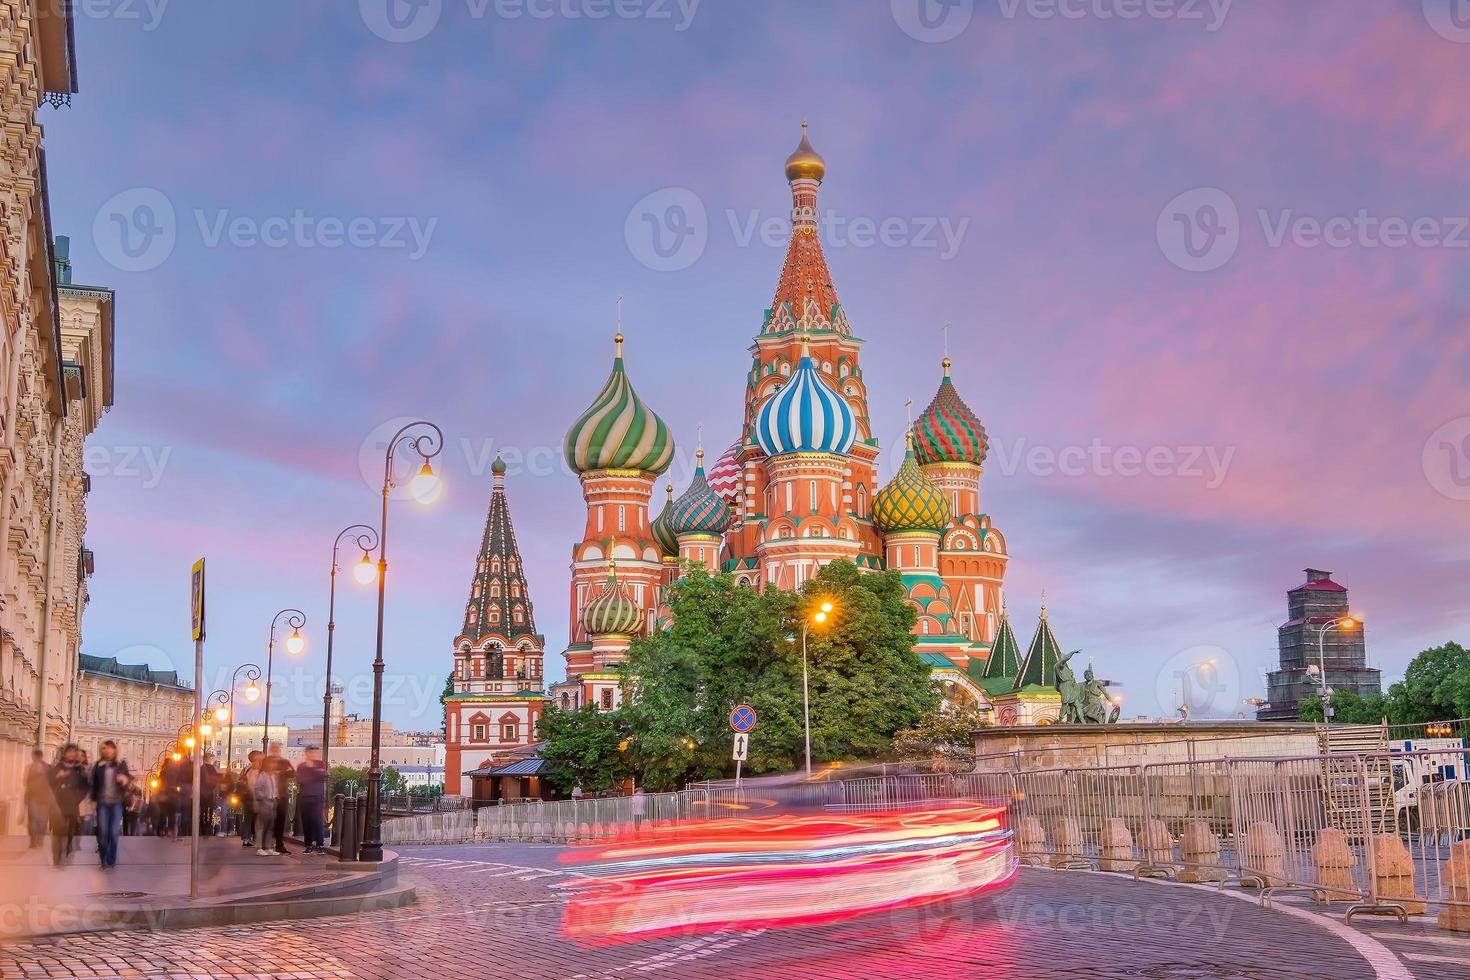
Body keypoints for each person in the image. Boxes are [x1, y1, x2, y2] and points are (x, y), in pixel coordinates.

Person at [90, 740, 130, 869]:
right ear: (102, 751)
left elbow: (128, 779)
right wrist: (93, 800)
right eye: (105, 748)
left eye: (110, 748)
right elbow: (94, 784)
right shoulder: (99, 765)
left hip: (116, 803)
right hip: (103, 803)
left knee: (113, 832)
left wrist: (124, 780)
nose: (108, 751)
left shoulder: (120, 763)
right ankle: (103, 859)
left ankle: (111, 860)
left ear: (114, 750)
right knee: (103, 832)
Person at [49, 744, 88, 866]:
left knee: (69, 833)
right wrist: (57, 777)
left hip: (72, 805)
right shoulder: (57, 768)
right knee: (57, 833)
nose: (71, 754)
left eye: (74, 752)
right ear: (65, 754)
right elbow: (48, 784)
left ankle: (65, 855)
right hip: (57, 805)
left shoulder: (79, 770)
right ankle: (57, 859)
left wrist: (77, 798)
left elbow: (85, 787)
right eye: (69, 752)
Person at [246, 752, 278, 856]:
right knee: (260, 825)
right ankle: (259, 847)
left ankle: (268, 847)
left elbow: (274, 788)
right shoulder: (262, 775)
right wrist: (261, 799)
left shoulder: (271, 775)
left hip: (272, 802)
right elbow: (257, 789)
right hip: (263, 802)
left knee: (269, 825)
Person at [296, 745, 327, 853]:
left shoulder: (321, 764)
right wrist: (313, 773)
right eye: (311, 752)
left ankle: (320, 845)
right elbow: (300, 780)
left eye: (315, 752)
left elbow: (322, 775)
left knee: (318, 820)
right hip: (304, 797)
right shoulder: (301, 766)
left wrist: (311, 772)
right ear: (307, 753)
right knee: (307, 821)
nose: (314, 754)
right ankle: (308, 844)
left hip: (317, 797)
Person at [264, 742, 294, 855]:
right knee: (269, 819)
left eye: (278, 748)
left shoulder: (284, 761)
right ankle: (266, 844)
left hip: (282, 794)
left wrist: (280, 772)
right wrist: (281, 772)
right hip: (269, 794)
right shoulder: (267, 760)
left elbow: (293, 773)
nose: (277, 750)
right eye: (274, 748)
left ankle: (279, 844)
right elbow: (263, 773)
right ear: (271, 749)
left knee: (281, 819)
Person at [24, 750, 53, 848]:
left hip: (45, 798)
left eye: (35, 757)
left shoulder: (48, 767)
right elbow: (26, 782)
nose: (34, 759)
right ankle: (33, 841)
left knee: (43, 820)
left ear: (39, 757)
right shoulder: (29, 767)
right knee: (33, 819)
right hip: (33, 797)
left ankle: (40, 839)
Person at [199, 754, 220, 836]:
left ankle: (201, 826)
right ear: (208, 759)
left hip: (201, 792)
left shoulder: (200, 768)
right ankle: (208, 825)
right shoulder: (212, 768)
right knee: (210, 809)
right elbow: (216, 780)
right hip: (209, 792)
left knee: (202, 810)